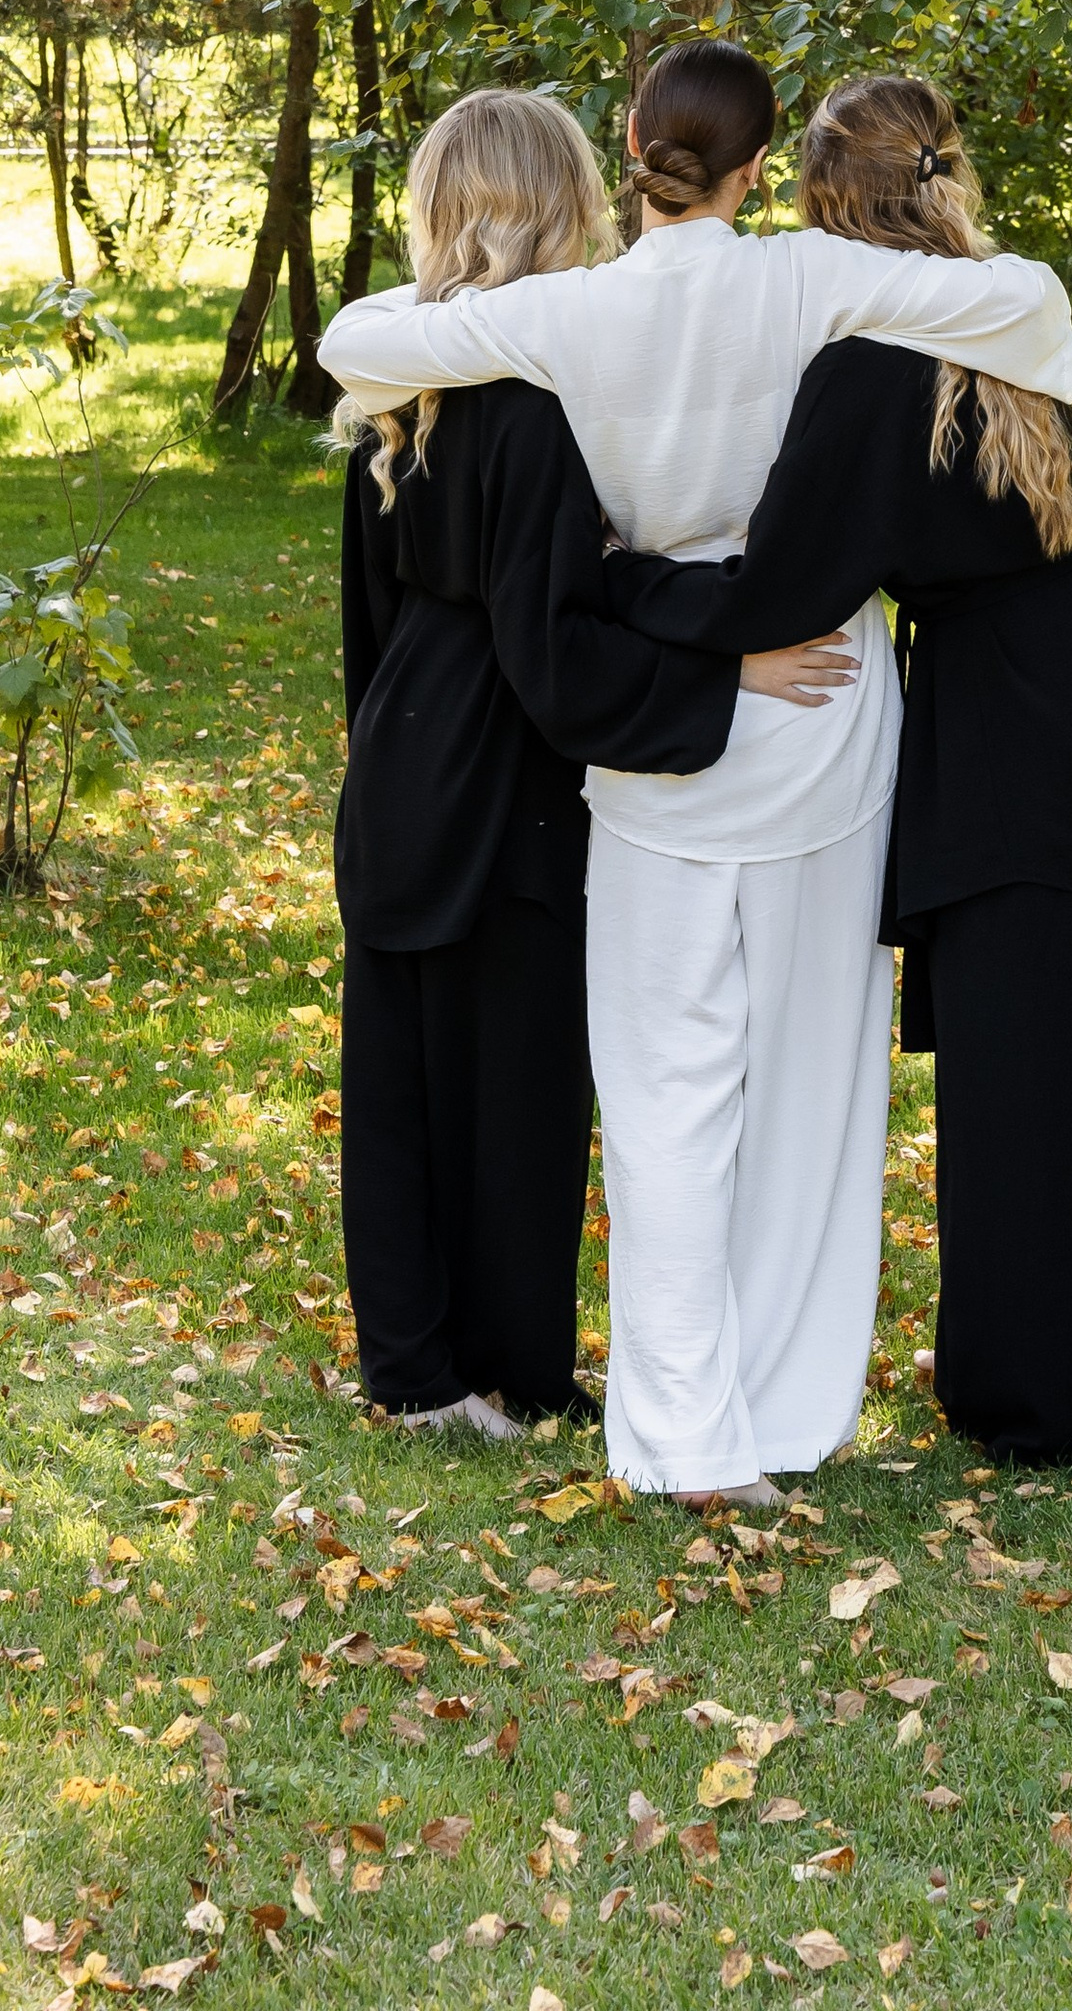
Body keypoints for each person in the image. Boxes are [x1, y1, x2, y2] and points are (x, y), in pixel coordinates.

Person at [320, 35, 1072, 1506]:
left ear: (633, 152)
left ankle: (679, 1443)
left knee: (667, 1087)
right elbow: (1034, 310)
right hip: (821, 699)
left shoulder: (566, 314)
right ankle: (785, 1414)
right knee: (810, 1083)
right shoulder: (805, 277)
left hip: (656, 729)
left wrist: (480, 294)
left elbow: (359, 342)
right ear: (755, 168)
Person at [599, 72, 1072, 1463]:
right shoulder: (999, 303)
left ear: (820, 205)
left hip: (1016, 699)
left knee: (1021, 1048)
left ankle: (1039, 1401)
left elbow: (782, 591)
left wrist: (622, 582)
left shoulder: (869, 370)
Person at [333, 85, 857, 1440]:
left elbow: (372, 620)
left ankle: (412, 1363)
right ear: (559, 197)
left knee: (400, 1072)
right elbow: (562, 629)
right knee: (518, 1078)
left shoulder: (399, 400)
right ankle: (507, 1366)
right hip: (509, 758)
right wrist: (720, 668)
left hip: (401, 747)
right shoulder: (533, 403)